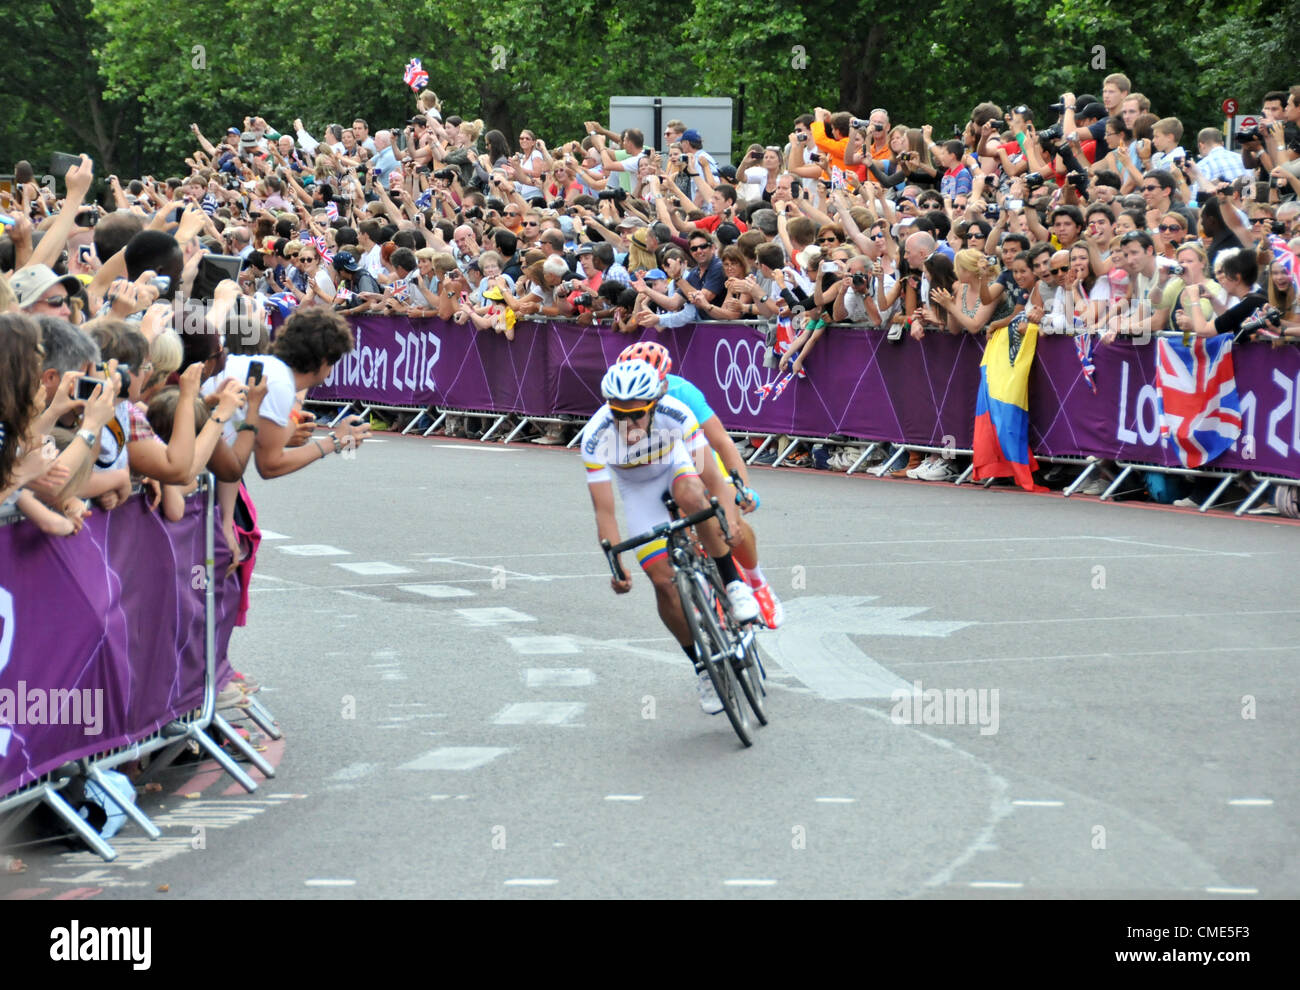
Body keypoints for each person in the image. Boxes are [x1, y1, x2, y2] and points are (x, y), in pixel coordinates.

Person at [580, 360, 759, 714]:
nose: (628, 423)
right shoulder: (595, 436)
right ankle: (703, 667)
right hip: (638, 492)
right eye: (619, 414)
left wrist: (729, 520)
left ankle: (734, 584)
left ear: (654, 405)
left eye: (637, 414)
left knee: (694, 495)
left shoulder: (675, 414)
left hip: (674, 468)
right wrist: (617, 564)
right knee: (662, 582)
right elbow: (604, 510)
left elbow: (713, 479)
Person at [616, 340, 783, 628]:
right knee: (682, 523)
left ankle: (758, 584)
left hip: (697, 454)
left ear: (664, 381)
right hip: (659, 463)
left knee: (728, 522)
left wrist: (741, 487)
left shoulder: (682, 393)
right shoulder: (622, 401)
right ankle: (707, 593)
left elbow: (721, 442)